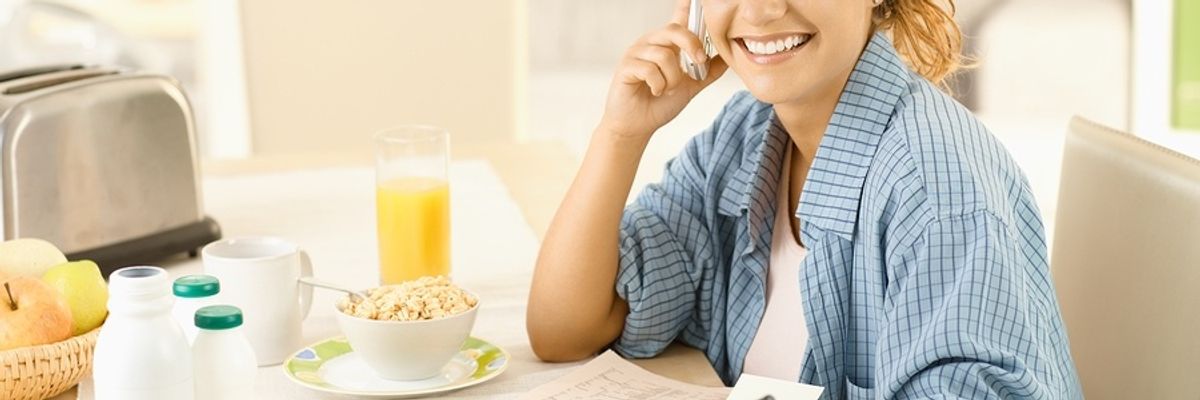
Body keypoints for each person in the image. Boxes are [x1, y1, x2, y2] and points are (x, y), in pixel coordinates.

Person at [527, 0, 1082, 398]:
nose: (762, 10)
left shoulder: (934, 187)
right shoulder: (744, 137)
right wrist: (621, 135)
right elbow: (564, 331)